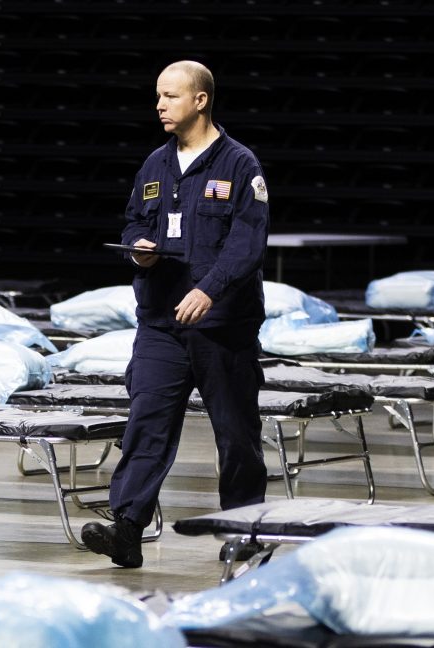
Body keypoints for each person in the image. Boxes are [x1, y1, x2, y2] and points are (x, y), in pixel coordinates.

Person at [81, 60, 270, 568]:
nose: (160, 105)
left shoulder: (239, 164)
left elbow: (247, 243)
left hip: (221, 327)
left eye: (171, 96)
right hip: (162, 324)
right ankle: (127, 528)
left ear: (200, 100)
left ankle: (246, 531)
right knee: (146, 423)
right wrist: (137, 247)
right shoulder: (155, 165)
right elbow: (134, 221)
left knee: (236, 435)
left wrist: (210, 290)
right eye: (158, 96)